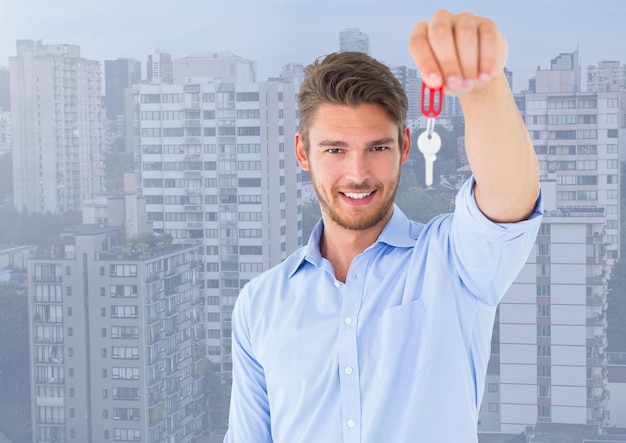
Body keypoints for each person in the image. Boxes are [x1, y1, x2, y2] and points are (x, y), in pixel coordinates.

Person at [224, 9, 542, 443]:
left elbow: (509, 196)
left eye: (377, 146)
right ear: (303, 153)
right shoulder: (259, 306)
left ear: (405, 146)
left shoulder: (454, 265)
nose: (358, 173)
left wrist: (483, 86)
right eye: (335, 149)